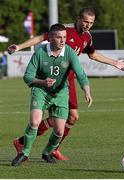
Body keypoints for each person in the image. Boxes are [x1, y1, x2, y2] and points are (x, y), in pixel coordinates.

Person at [8, 7, 124, 161]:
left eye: (91, 23)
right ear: (78, 19)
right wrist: (19, 46)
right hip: (50, 79)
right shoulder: (64, 30)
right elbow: (40, 38)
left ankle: (46, 147)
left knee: (71, 118)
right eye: (85, 21)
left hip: (67, 81)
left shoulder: (87, 37)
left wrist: (114, 63)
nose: (87, 25)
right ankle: (28, 145)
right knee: (52, 118)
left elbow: (92, 54)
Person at [11, 23, 92, 166]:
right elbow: (27, 77)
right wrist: (42, 82)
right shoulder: (40, 52)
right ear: (50, 38)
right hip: (41, 91)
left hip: (60, 93)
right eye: (59, 37)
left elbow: (81, 74)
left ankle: (47, 152)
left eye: (65, 37)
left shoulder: (69, 53)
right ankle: (24, 152)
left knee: (59, 131)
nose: (63, 41)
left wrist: (86, 90)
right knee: (35, 121)